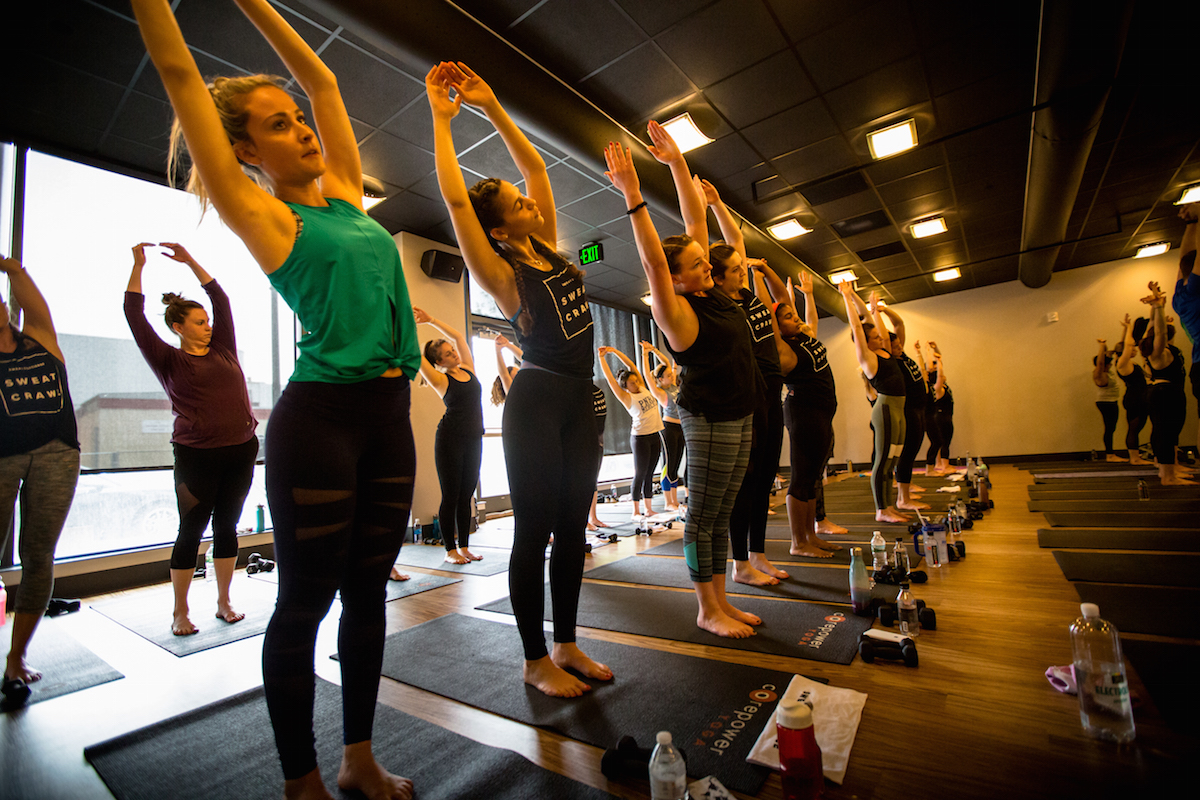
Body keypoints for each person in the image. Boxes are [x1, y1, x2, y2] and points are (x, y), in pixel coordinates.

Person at [133, 2, 420, 797]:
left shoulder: (347, 201)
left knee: (368, 596)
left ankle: (359, 757)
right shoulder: (263, 212)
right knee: (305, 603)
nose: (303, 130)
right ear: (242, 149)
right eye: (279, 124)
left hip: (389, 420)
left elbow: (323, 78)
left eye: (299, 121)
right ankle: (303, 780)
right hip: (319, 425)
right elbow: (179, 72)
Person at [428, 62, 610, 697]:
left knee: (571, 528)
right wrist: (445, 120)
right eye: (515, 204)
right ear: (499, 230)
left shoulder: (553, 251)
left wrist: (493, 106)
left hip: (578, 401)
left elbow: (536, 170)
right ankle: (534, 661)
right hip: (534, 404)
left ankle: (567, 644)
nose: (530, 198)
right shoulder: (501, 273)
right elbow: (456, 201)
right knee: (534, 531)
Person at [604, 128, 761, 639]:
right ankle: (705, 607)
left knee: (722, 509)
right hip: (709, 414)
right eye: (695, 265)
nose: (707, 264)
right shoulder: (677, 312)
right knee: (703, 512)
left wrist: (676, 163)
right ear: (674, 281)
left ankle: (722, 601)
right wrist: (632, 195)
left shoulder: (710, 289)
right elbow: (653, 259)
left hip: (739, 410)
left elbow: (694, 222)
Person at [124, 242, 258, 637]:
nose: (209, 325)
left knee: (228, 527)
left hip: (241, 450)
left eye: (207, 321)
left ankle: (224, 601)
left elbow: (221, 299)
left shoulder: (224, 349)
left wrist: (192, 262)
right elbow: (134, 315)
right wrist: (138, 266)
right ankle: (180, 611)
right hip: (196, 455)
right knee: (191, 529)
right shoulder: (167, 359)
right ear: (178, 327)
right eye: (199, 322)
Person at [0, 256, 80, 709]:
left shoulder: (42, 341)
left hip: (57, 454)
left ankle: (16, 659)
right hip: (2, 458)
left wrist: (10, 267)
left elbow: (35, 303)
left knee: (38, 556)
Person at [702, 180, 788, 586]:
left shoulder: (747, 296)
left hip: (772, 389)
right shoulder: (721, 302)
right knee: (747, 480)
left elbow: (734, 239)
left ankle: (758, 553)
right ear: (716, 278)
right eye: (735, 269)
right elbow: (724, 248)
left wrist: (719, 203)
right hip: (749, 395)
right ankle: (740, 564)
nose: (742, 270)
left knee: (766, 476)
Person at [772, 272, 842, 558]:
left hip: (822, 414)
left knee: (813, 477)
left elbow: (806, 317)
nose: (796, 318)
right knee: (801, 477)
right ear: (777, 329)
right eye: (788, 317)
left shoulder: (806, 336)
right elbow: (774, 310)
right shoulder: (785, 351)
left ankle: (811, 534)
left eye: (793, 314)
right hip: (803, 414)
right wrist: (762, 276)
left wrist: (808, 295)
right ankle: (797, 542)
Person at [413, 308, 484, 565]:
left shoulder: (469, 368)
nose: (453, 353)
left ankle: (464, 547)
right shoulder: (439, 379)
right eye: (446, 354)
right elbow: (418, 357)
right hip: (449, 440)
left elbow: (459, 338)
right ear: (439, 362)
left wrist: (431, 319)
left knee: (467, 495)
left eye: (451, 350)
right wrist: (409, 327)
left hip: (475, 438)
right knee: (451, 495)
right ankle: (450, 550)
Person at [839, 282, 909, 524]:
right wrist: (846, 298)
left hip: (899, 409)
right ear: (867, 342)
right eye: (876, 337)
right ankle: (881, 510)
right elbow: (858, 326)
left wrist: (858, 298)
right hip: (886, 409)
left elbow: (867, 317)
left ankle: (888, 506)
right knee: (883, 459)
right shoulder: (867, 358)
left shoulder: (885, 350)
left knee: (894, 459)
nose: (881, 337)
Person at [597, 345, 663, 520]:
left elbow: (631, 365)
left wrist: (615, 351)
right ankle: (635, 511)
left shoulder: (642, 389)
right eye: (632, 383)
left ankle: (648, 509)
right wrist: (602, 358)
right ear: (625, 386)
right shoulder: (627, 397)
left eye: (636, 380)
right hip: (640, 437)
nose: (636, 383)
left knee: (650, 472)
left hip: (654, 434)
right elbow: (610, 379)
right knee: (640, 473)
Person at [1140, 282, 1193, 485]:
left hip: (1166, 393)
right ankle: (1167, 476)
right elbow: (1159, 333)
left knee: (1169, 432)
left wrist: (1155, 303)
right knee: (1165, 432)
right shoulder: (1157, 352)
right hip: (1164, 393)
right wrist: (1159, 307)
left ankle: (1169, 470)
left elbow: (1154, 328)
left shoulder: (1162, 348)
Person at [641, 341, 685, 512]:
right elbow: (647, 374)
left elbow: (668, 363)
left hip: (681, 428)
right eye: (668, 375)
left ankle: (674, 500)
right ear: (660, 379)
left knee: (676, 464)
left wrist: (655, 350)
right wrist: (646, 354)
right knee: (669, 463)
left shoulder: (674, 386)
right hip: (668, 428)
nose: (672, 376)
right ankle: (668, 502)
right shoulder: (660, 392)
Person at [1175, 203, 1200, 458]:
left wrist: (1191, 224)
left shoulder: (1179, 295)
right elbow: (1189, 260)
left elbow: (1185, 259)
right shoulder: (1192, 290)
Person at [1116, 315, 1152, 464]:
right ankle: (1134, 458)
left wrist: (1126, 329)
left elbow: (1127, 344)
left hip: (1139, 396)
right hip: (1134, 398)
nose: (1135, 349)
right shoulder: (1122, 363)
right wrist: (1129, 328)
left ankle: (1135, 456)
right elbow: (1129, 345)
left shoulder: (1128, 362)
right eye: (1131, 349)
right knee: (1134, 428)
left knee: (1138, 426)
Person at [1092, 338, 1125, 462]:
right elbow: (1100, 362)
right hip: (1106, 403)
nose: (1111, 365)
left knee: (1111, 428)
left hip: (1111, 402)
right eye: (1108, 363)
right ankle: (1110, 455)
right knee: (1109, 428)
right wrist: (1101, 346)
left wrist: (1105, 347)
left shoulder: (1108, 371)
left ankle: (1110, 454)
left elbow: (1105, 357)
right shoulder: (1099, 374)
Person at [924, 341, 954, 475]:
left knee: (939, 442)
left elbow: (938, 366)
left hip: (942, 416)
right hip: (942, 418)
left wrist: (933, 349)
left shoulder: (941, 386)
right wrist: (927, 354)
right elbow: (938, 374)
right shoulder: (937, 388)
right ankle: (944, 465)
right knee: (943, 442)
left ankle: (938, 463)